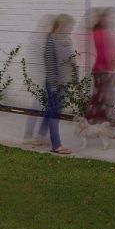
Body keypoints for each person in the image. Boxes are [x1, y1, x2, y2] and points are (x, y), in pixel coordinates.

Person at [34, 13, 74, 154]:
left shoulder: (64, 40)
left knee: (51, 111)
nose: (71, 30)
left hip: (63, 83)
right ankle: (56, 145)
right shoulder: (51, 42)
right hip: (55, 84)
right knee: (54, 114)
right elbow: (50, 66)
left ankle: (39, 137)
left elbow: (70, 61)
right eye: (69, 27)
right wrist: (55, 87)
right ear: (62, 26)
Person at [84, 8, 115, 139]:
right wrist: (110, 66)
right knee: (100, 100)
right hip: (102, 71)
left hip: (111, 71)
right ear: (104, 19)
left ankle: (100, 126)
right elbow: (101, 54)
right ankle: (91, 126)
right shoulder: (99, 33)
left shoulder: (110, 31)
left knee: (107, 100)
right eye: (112, 17)